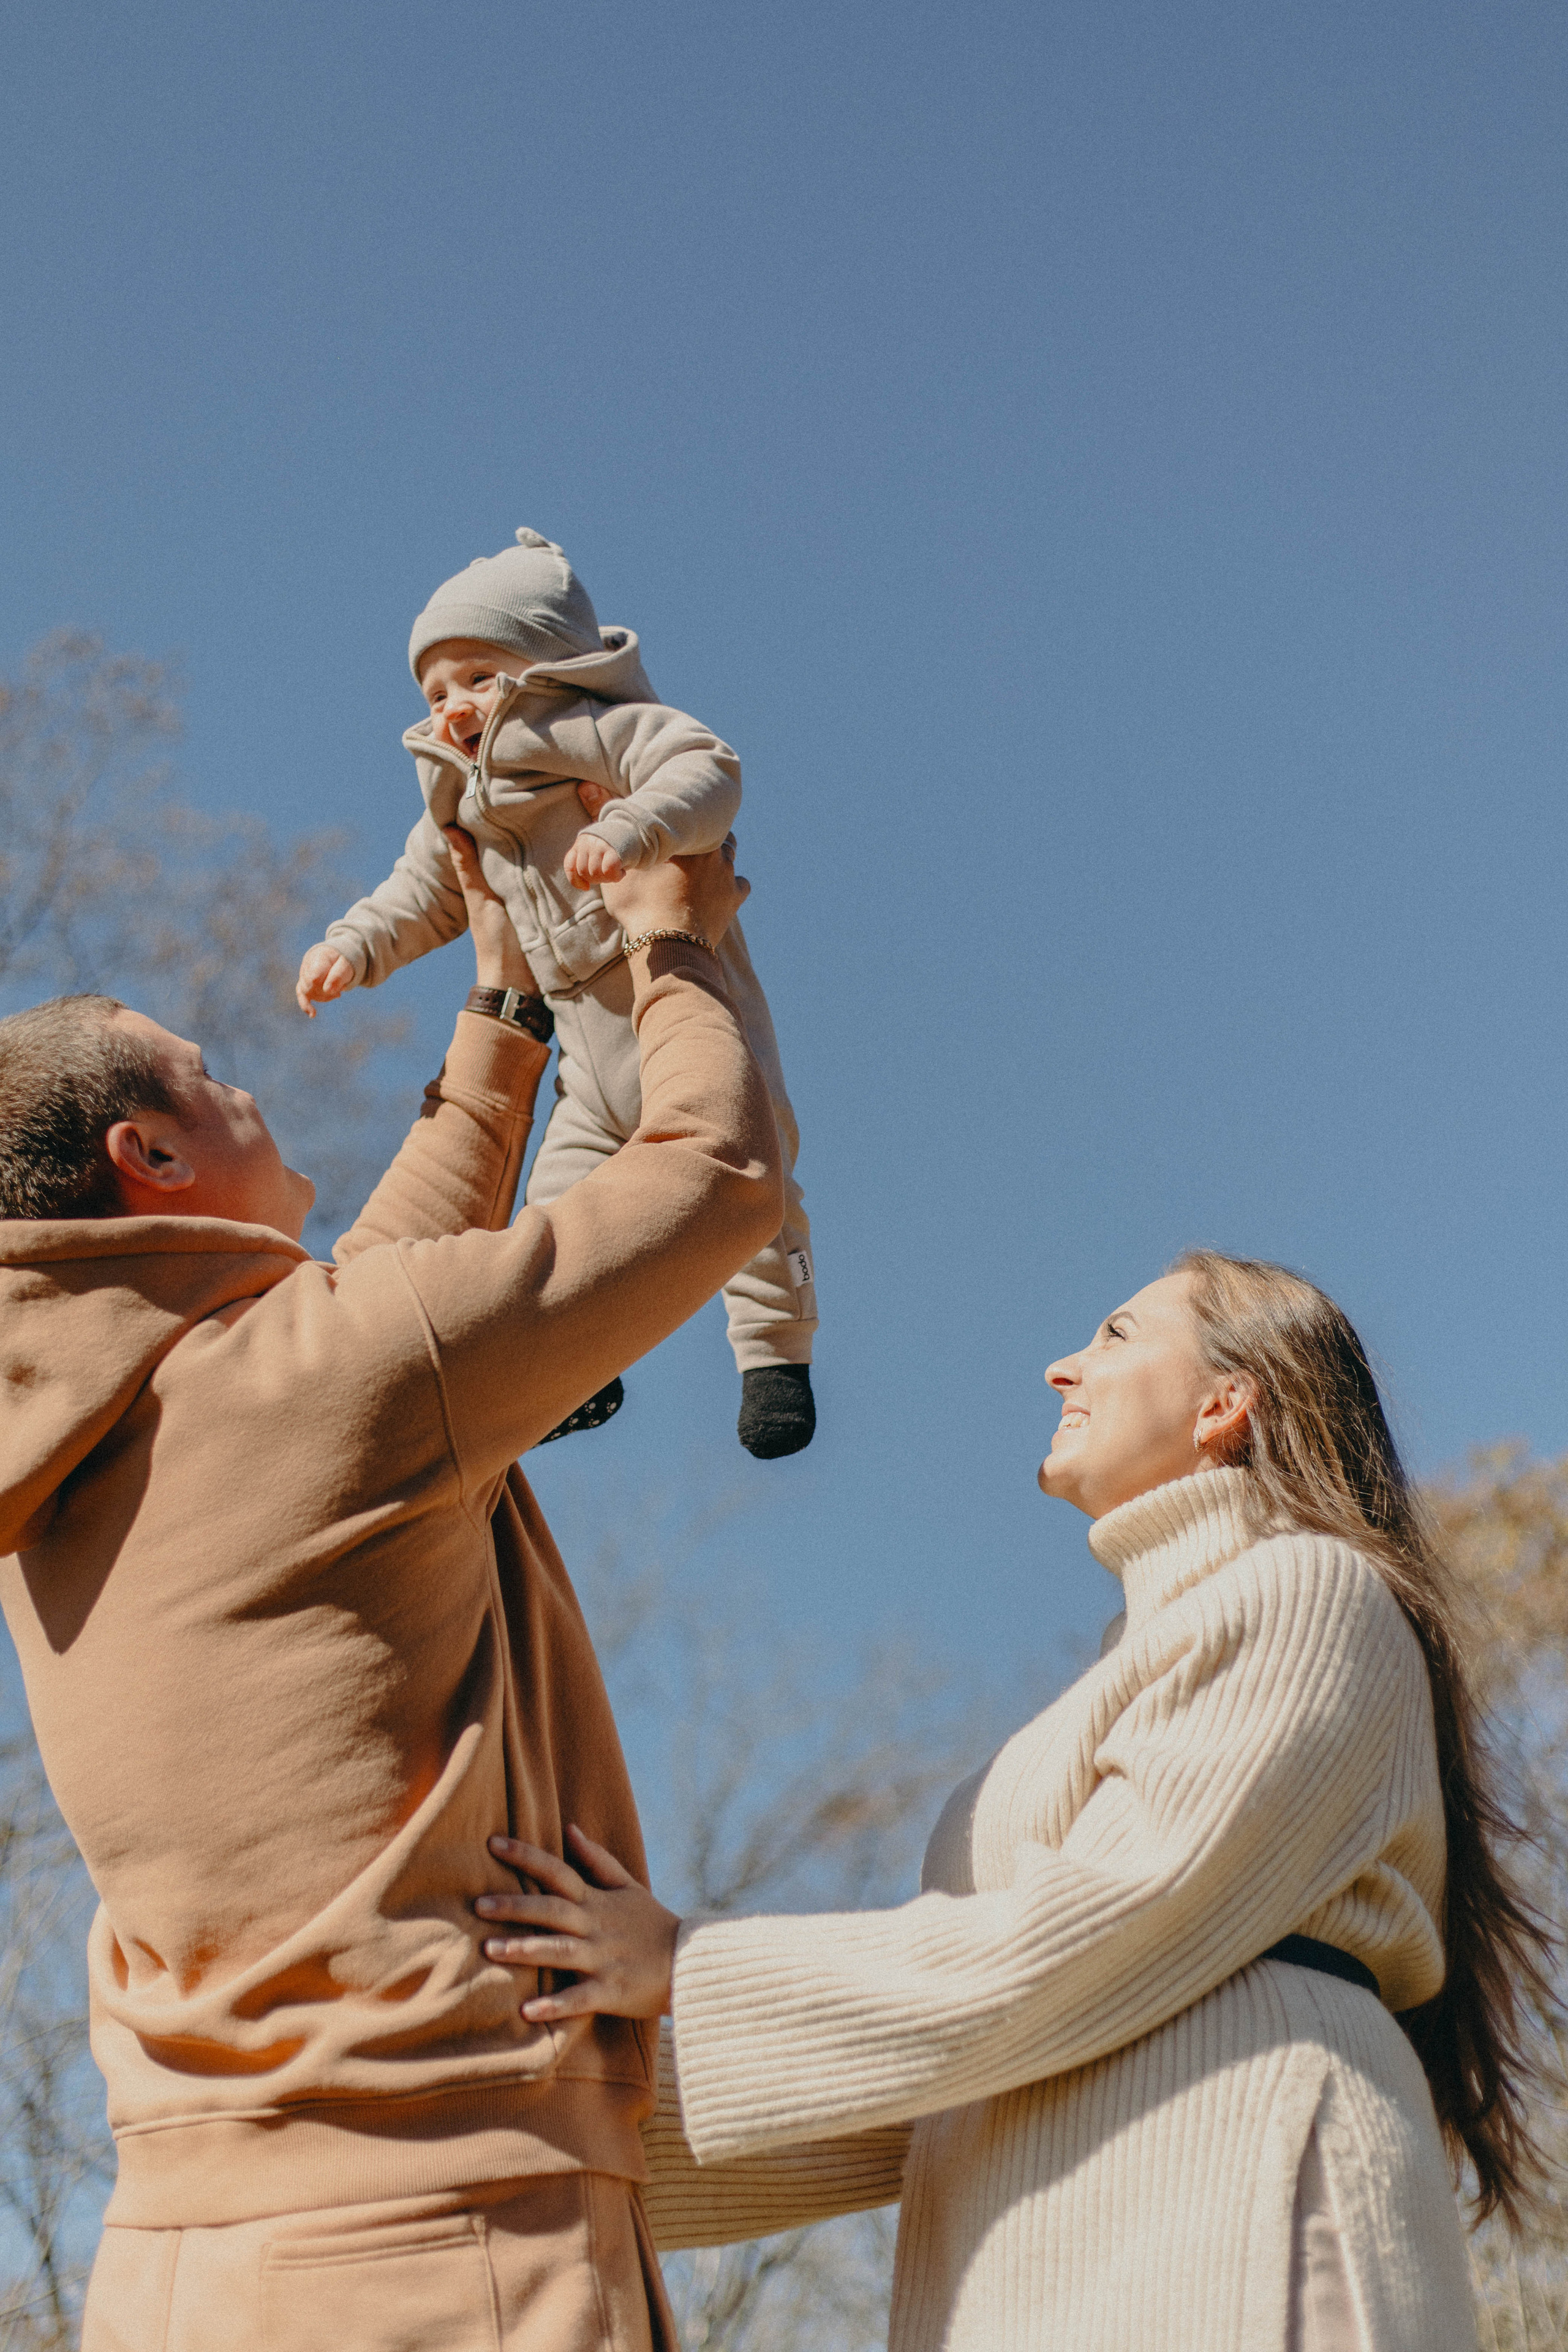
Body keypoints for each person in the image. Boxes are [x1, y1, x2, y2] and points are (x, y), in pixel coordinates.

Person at [0, 828, 779, 2351]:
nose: (249, 1084)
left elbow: (371, 1314)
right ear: (147, 1160)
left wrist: (504, 1012)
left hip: (174, 2268)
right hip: (443, 2253)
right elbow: (715, 1178)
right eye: (209, 1073)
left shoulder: (77, 1449)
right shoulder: (329, 1379)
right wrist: (677, 941)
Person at [478, 1251, 1550, 2351]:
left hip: (1232, 2221)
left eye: (1119, 1336)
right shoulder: (1122, 1672)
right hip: (1034, 2262)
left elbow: (1116, 1927)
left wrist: (687, 1966)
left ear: (1228, 1404)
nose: (1060, 1368)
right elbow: (938, 2070)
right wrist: (535, 2126)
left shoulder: (1308, 1591)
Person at [295, 526, 818, 1459]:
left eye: (478, 676)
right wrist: (354, 947)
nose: (455, 705)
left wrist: (637, 829)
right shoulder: (457, 792)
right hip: (585, 1051)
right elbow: (425, 889)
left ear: (544, 665)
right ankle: (580, 1366)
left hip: (684, 1000)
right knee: (557, 1215)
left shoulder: (585, 730)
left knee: (753, 1171)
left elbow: (707, 770)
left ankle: (774, 1358)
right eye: (436, 690)